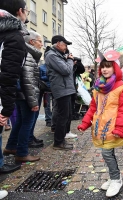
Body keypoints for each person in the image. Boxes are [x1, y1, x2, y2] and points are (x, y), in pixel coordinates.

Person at [77, 50, 123, 198]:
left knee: (107, 153)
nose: (105, 69)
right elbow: (93, 108)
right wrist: (85, 123)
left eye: (108, 66)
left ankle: (116, 179)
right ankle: (114, 177)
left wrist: (120, 127)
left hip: (114, 127)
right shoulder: (98, 87)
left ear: (116, 68)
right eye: (103, 67)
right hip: (100, 127)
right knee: (107, 153)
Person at [0, 0, 28, 181]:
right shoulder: (12, 36)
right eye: (27, 11)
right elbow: (9, 75)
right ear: (20, 11)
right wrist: (6, 110)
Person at [4, 30, 42, 162]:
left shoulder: (25, 53)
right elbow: (28, 80)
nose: (41, 45)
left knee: (20, 122)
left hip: (21, 95)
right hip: (26, 96)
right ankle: (22, 153)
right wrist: (33, 102)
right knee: (27, 123)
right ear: (31, 42)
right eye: (40, 41)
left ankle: (11, 147)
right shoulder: (28, 55)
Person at [45, 35, 76, 150]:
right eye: (65, 44)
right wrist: (69, 60)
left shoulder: (57, 55)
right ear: (58, 43)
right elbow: (66, 70)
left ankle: (61, 140)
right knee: (62, 116)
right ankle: (58, 142)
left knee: (66, 115)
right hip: (61, 89)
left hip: (65, 89)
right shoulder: (52, 55)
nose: (66, 47)